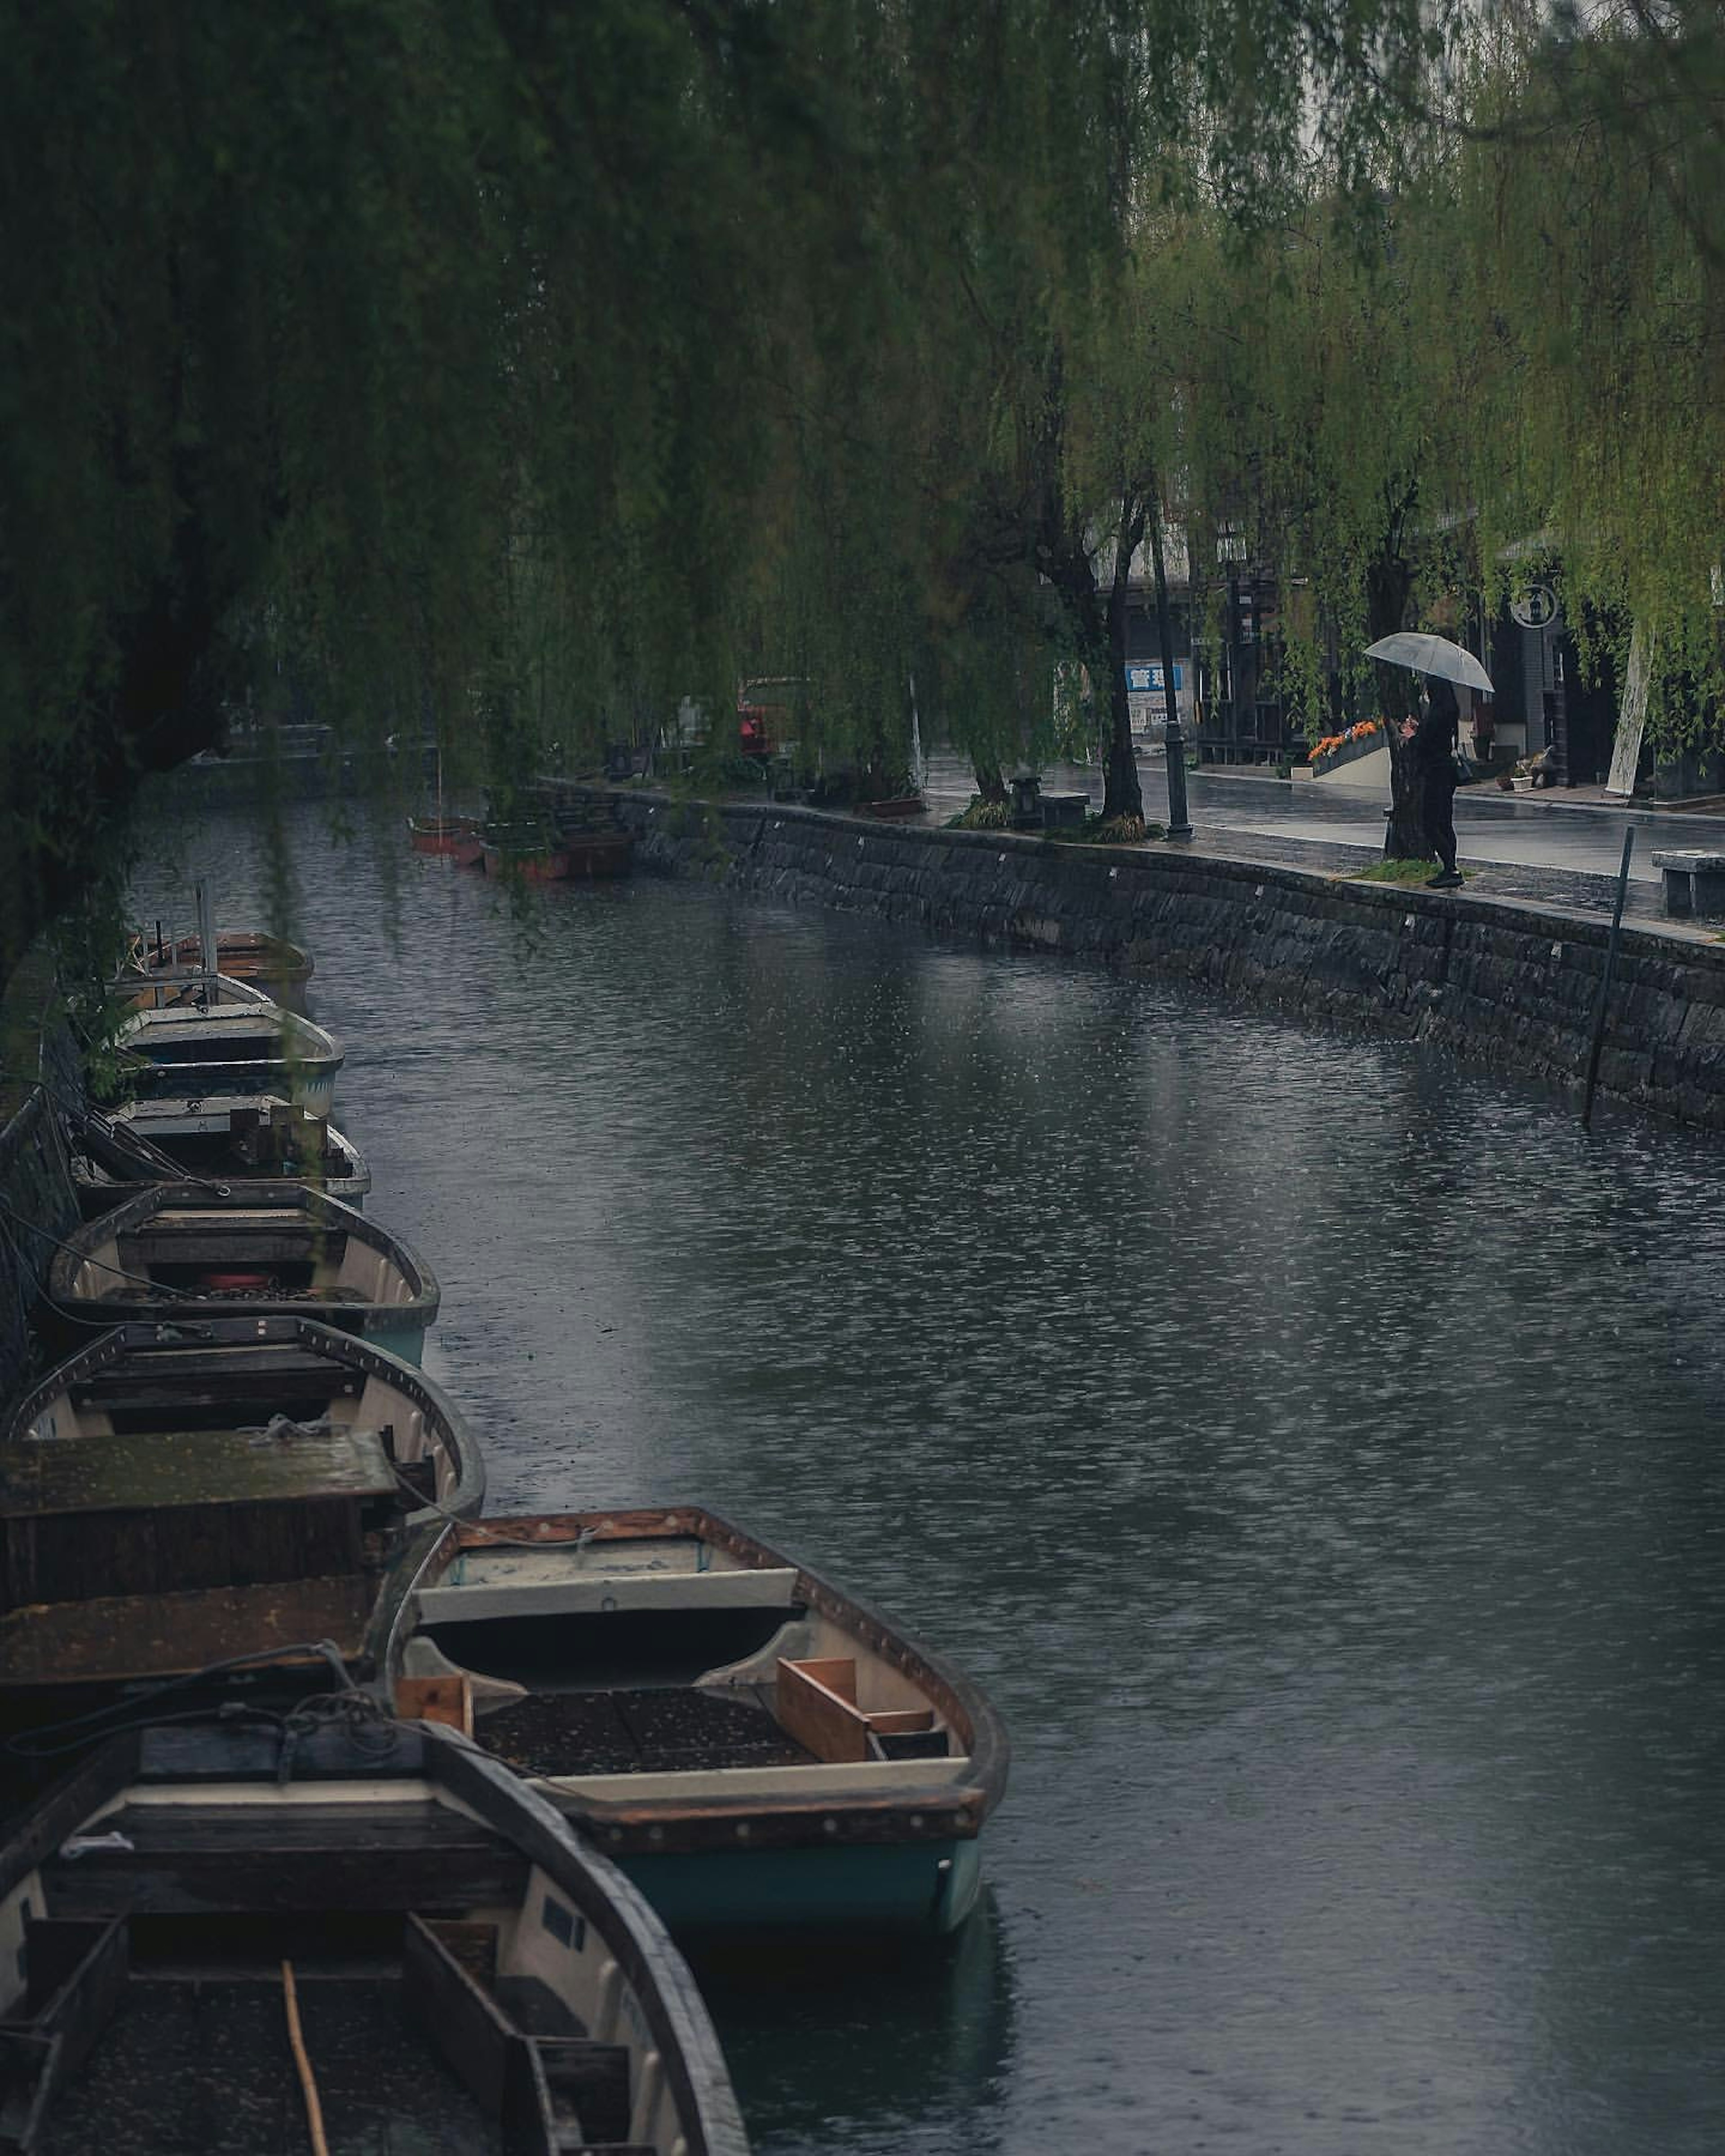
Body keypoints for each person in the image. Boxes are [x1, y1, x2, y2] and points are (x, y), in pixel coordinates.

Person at [1401, 677, 1463, 888]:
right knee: (1445, 822)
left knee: (1430, 823)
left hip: (1436, 773)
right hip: (1448, 773)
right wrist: (1421, 729)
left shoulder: (1436, 714)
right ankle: (1451, 867)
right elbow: (1436, 738)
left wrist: (1411, 736)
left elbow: (1426, 746)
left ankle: (1451, 868)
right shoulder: (1450, 711)